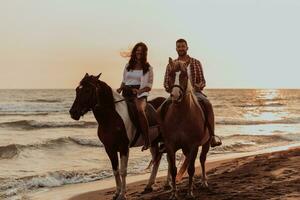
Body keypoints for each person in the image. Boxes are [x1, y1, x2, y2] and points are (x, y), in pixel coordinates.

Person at [163, 38, 222, 147]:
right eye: (179, 46)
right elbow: (166, 83)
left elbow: (202, 81)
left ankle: (212, 136)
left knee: (207, 104)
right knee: (162, 108)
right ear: (176, 48)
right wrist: (171, 89)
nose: (181, 48)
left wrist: (199, 86)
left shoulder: (195, 63)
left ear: (187, 48)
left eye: (183, 46)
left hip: (195, 93)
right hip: (177, 92)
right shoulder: (171, 64)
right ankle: (163, 138)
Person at [117, 42, 153, 151]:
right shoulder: (128, 65)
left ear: (144, 53)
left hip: (140, 94)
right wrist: (120, 89)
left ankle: (147, 141)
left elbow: (149, 86)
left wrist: (139, 91)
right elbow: (124, 81)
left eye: (141, 51)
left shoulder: (148, 68)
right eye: (137, 50)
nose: (139, 52)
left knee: (140, 110)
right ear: (134, 51)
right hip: (127, 92)